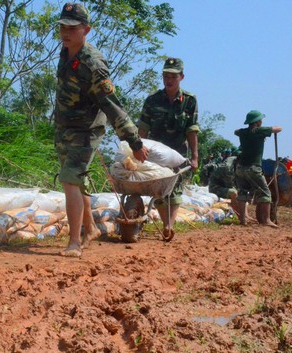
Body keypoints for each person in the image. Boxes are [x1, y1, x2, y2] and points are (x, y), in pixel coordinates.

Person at [54, 2, 146, 257]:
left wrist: (134, 141)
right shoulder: (66, 52)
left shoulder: (93, 64)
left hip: (85, 131)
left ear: (87, 30)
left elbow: (111, 105)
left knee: (70, 179)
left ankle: (74, 243)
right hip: (65, 129)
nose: (66, 31)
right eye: (63, 26)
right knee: (74, 180)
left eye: (72, 28)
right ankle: (91, 227)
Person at [137, 57, 199, 241]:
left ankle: (168, 225)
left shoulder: (189, 101)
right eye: (165, 75)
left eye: (173, 76)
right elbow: (143, 128)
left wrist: (195, 156)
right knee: (160, 189)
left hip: (178, 152)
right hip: (156, 153)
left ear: (182, 77)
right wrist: (138, 149)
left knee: (176, 189)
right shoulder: (152, 100)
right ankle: (167, 225)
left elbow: (192, 129)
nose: (168, 79)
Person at [234, 110, 281, 227]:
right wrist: (265, 130)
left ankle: (242, 220)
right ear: (257, 122)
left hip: (240, 167)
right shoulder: (260, 131)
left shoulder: (243, 132)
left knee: (243, 192)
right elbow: (279, 128)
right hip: (253, 167)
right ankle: (265, 220)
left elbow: (236, 131)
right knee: (265, 193)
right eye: (260, 120)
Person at [208, 151, 255, 223]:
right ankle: (241, 217)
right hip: (215, 187)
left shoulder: (237, 163)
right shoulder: (228, 168)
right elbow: (232, 189)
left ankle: (246, 216)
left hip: (224, 186)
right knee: (234, 193)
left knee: (242, 193)